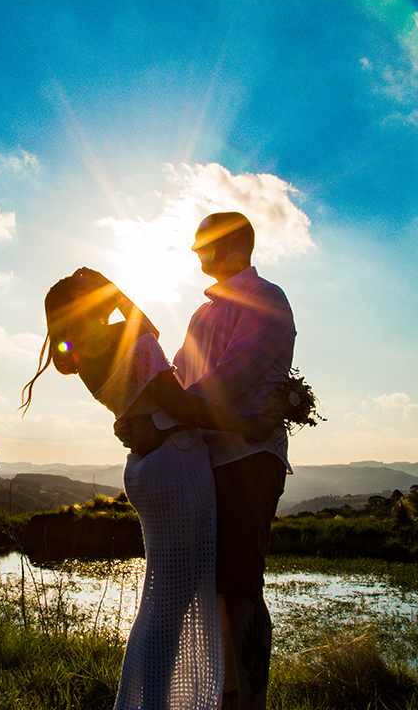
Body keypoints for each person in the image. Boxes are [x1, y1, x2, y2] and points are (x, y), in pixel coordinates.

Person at [21, 267, 275, 710]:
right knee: (170, 604)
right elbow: (177, 400)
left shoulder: (84, 353)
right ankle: (154, 701)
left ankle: (147, 699)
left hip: (145, 469)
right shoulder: (127, 341)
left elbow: (149, 332)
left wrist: (112, 292)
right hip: (174, 465)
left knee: (160, 598)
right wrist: (245, 424)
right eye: (98, 295)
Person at [115, 212, 295, 710]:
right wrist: (141, 409)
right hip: (202, 462)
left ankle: (251, 703)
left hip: (247, 456)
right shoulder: (201, 315)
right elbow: (177, 380)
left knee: (239, 585)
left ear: (231, 244)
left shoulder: (266, 300)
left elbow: (229, 377)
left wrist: (166, 419)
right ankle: (227, 697)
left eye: (203, 244)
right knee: (212, 586)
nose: (195, 253)